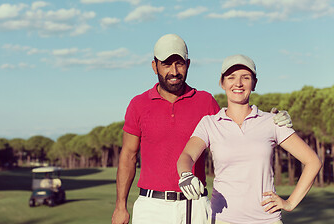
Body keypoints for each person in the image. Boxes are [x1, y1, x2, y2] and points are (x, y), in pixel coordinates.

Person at [111, 35, 292, 224]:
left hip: (196, 205)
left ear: (188, 64)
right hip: (152, 206)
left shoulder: (205, 101)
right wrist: (120, 206)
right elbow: (128, 156)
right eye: (166, 64)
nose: (174, 71)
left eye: (179, 64)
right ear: (154, 66)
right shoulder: (138, 104)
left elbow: (236, 123)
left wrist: (272, 118)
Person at [177, 54, 322, 224]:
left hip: (267, 220)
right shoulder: (210, 123)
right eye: (231, 77)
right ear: (222, 83)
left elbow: (313, 161)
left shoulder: (272, 121)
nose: (238, 83)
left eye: (245, 77)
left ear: (254, 83)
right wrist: (186, 175)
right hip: (223, 219)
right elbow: (186, 156)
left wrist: (290, 203)